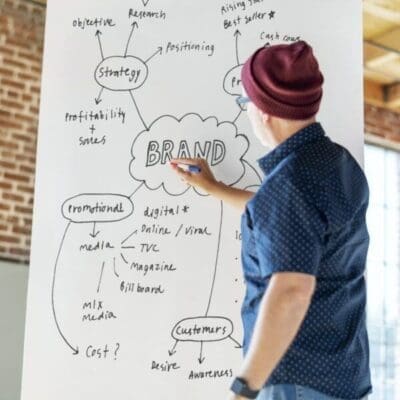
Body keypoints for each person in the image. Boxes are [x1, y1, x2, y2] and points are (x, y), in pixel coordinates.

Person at [170, 40, 372, 400]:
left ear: (263, 110)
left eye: (245, 102)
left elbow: (292, 291)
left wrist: (243, 390)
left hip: (294, 380)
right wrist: (216, 188)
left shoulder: (288, 184)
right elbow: (294, 224)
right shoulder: (338, 164)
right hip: (344, 378)